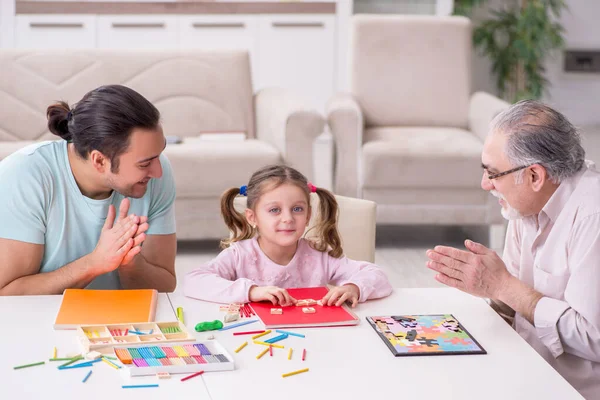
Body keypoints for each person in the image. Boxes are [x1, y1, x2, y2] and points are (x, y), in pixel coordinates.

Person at [426, 100, 600, 399]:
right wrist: (487, 292)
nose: (485, 184)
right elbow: (513, 304)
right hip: (524, 370)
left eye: (493, 173)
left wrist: (503, 286)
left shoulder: (592, 217)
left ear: (534, 176)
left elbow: (593, 338)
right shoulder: (525, 204)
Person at [0, 85, 177, 295]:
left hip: (122, 323)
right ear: (99, 160)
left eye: (159, 154)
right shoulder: (25, 176)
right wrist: (94, 263)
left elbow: (166, 285)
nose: (157, 171)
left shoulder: (155, 173)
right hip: (42, 323)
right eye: (144, 163)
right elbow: (8, 294)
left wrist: (129, 262)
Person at [184, 165, 392, 306]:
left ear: (309, 214)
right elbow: (194, 281)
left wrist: (353, 287)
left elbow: (379, 276)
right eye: (274, 210)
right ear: (252, 217)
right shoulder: (240, 255)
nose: (288, 219)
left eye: (297, 209)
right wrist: (252, 292)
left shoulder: (319, 255)